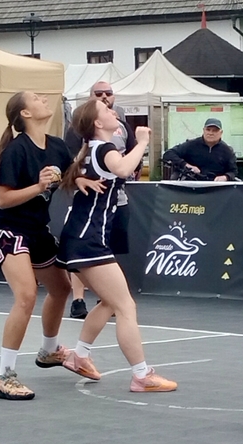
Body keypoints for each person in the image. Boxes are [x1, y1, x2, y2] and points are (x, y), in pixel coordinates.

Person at [58, 97, 177, 391]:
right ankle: (142, 375)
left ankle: (80, 356)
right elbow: (123, 169)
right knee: (125, 306)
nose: (113, 111)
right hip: (88, 239)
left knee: (111, 302)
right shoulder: (105, 149)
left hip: (79, 236)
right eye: (106, 110)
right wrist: (142, 142)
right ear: (97, 122)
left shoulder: (91, 150)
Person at [0, 91, 90, 401]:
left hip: (37, 230)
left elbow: (70, 176)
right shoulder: (16, 150)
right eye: (35, 97)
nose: (43, 98)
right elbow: (3, 199)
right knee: (27, 296)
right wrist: (39, 186)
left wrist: (82, 178)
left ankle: (48, 351)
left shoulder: (56, 146)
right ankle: (4, 376)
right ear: (25, 113)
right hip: (9, 229)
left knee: (61, 288)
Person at [67, 81, 137, 316]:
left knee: (109, 252)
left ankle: (104, 297)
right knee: (125, 306)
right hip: (89, 219)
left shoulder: (119, 129)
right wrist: (78, 178)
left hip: (110, 203)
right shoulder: (98, 145)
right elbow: (121, 167)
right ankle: (79, 298)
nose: (105, 98)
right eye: (99, 94)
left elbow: (128, 161)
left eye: (109, 93)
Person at [162, 117, 238, 181]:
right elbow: (168, 154)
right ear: (203, 130)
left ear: (221, 132)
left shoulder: (227, 150)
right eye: (208, 129)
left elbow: (233, 171)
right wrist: (186, 165)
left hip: (217, 188)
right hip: (191, 187)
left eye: (215, 130)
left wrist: (225, 177)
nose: (210, 133)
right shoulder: (191, 145)